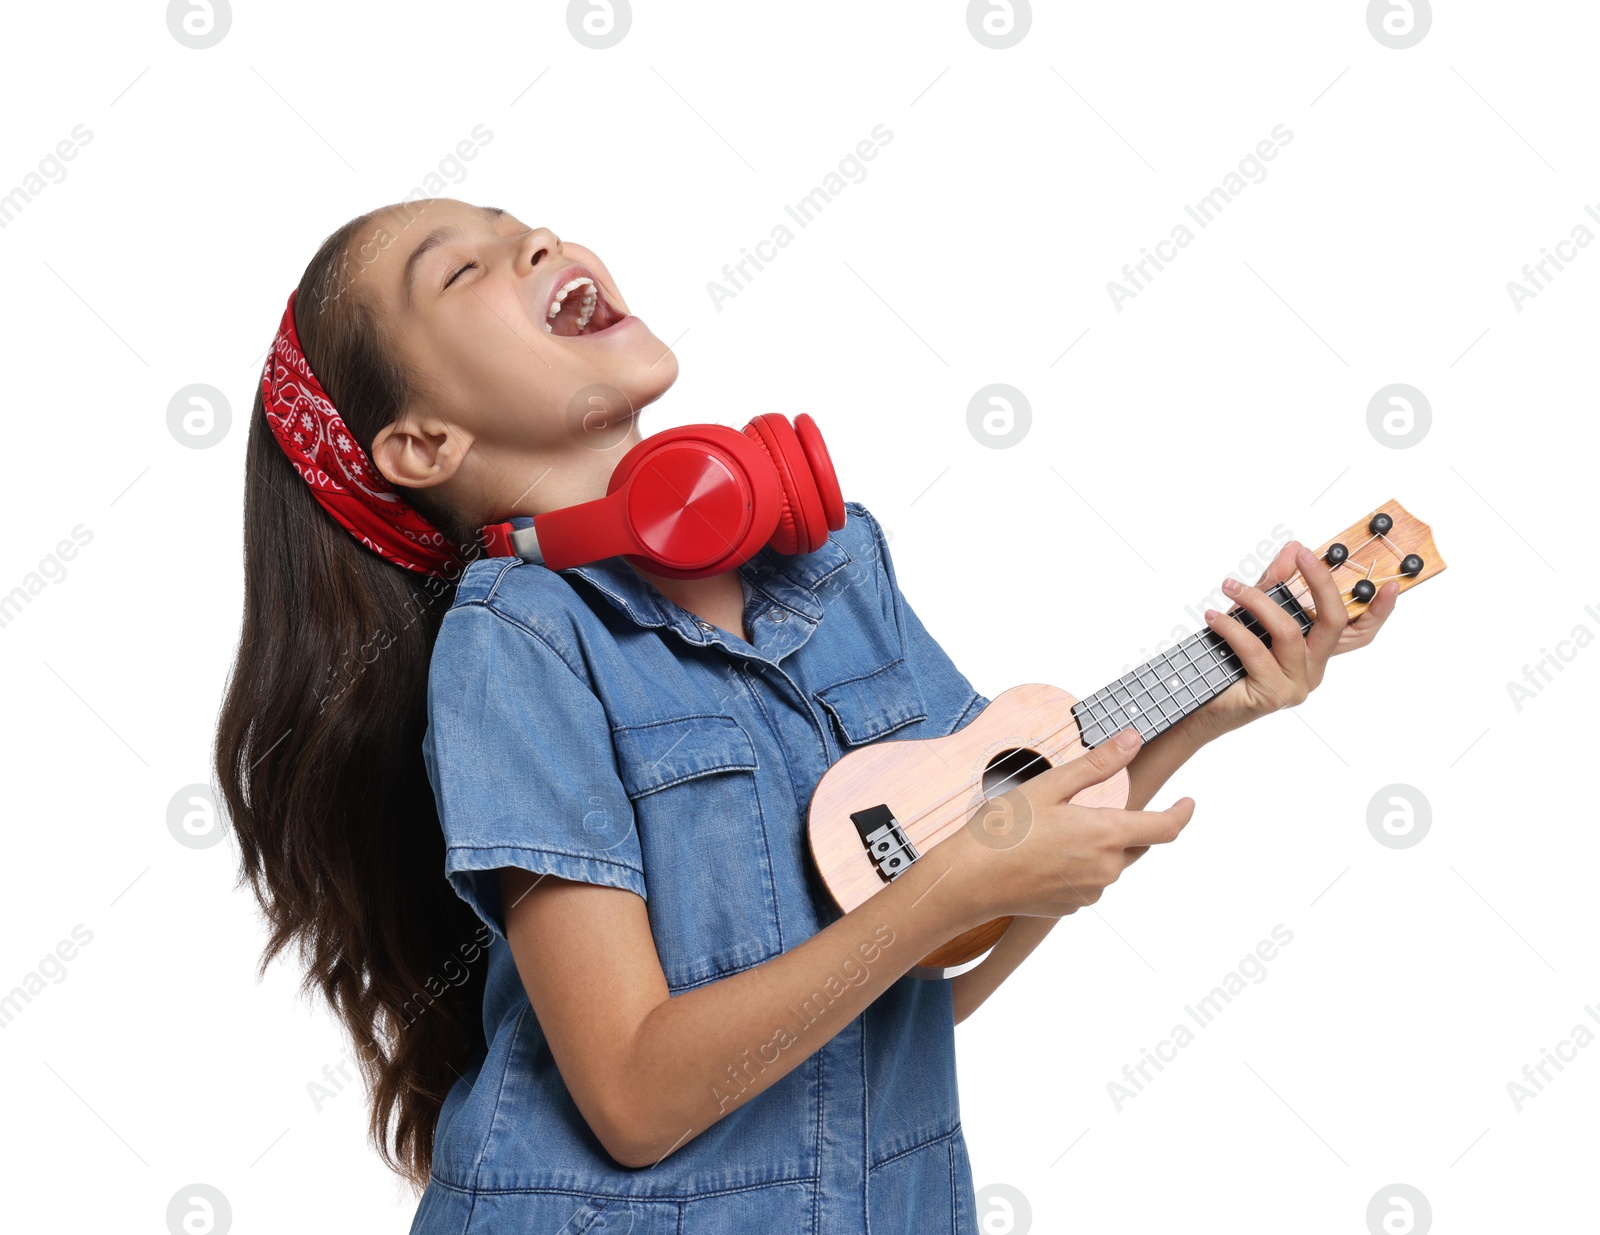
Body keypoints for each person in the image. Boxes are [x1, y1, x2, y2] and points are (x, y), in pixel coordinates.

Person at [213, 197, 1399, 1234]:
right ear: (426, 442)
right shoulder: (518, 639)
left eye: (518, 223)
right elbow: (630, 1096)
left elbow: (911, 986)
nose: (530, 240)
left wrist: (1207, 704)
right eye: (460, 268)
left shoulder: (831, 564)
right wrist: (967, 880)